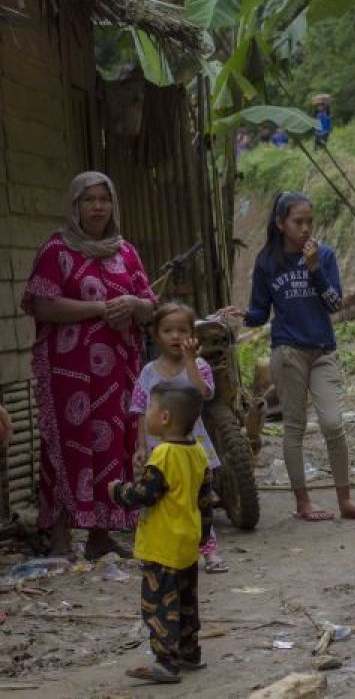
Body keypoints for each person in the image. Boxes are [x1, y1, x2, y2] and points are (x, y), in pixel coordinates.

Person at [22, 172, 156, 559]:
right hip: (68, 371)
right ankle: (60, 531)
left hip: (118, 371)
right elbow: (42, 303)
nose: (97, 207)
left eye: (104, 199)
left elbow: (149, 306)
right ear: (75, 206)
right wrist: (100, 309)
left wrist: (133, 305)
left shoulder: (125, 252)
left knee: (111, 444)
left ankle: (100, 534)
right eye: (88, 200)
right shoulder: (56, 250)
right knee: (65, 444)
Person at [221, 192, 355, 522]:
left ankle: (345, 499)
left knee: (333, 423)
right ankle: (302, 502)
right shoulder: (267, 262)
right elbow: (263, 312)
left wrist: (315, 269)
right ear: (280, 224)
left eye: (309, 222)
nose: (305, 229)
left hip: (323, 350)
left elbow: (335, 304)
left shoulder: (326, 256)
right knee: (295, 427)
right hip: (288, 351)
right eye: (298, 222)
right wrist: (244, 315)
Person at [108, 385, 212, 685]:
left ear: (164, 417)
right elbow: (203, 499)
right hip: (187, 545)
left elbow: (145, 494)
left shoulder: (163, 454)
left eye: (150, 409)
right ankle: (190, 652)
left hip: (162, 546)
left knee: (159, 604)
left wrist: (117, 490)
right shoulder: (197, 452)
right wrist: (204, 535)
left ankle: (166, 662)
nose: (146, 415)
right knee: (186, 601)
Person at [131, 303, 227, 575]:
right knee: (156, 501)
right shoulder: (149, 371)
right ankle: (154, 552)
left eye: (182, 330)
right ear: (156, 335)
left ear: (192, 335)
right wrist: (140, 447)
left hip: (191, 447)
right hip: (157, 448)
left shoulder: (199, 366)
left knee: (199, 500)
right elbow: (139, 410)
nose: (175, 336)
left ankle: (208, 550)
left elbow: (204, 394)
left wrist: (190, 362)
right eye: (168, 330)